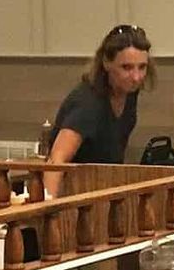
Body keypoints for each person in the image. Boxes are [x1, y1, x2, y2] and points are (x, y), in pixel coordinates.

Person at [45, 24, 152, 191]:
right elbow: (56, 160)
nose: (136, 77)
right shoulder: (88, 103)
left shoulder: (129, 92)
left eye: (142, 67)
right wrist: (48, 207)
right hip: (74, 194)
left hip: (102, 188)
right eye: (126, 67)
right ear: (106, 63)